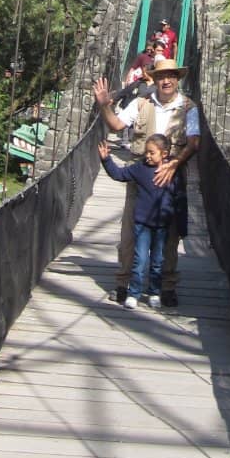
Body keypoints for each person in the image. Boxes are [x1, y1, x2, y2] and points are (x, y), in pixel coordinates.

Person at [93, 57, 199, 308]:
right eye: (162, 76)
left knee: (169, 236)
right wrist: (104, 105)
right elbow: (117, 125)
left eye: (171, 76)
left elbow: (194, 142)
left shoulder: (189, 107)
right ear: (155, 79)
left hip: (171, 178)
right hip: (141, 176)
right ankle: (124, 283)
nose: (167, 80)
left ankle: (166, 285)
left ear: (177, 79)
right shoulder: (141, 104)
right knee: (131, 231)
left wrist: (173, 165)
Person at [97, 134, 174, 309]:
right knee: (139, 260)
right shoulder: (140, 169)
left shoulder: (171, 172)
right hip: (143, 224)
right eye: (146, 152)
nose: (147, 156)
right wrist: (106, 159)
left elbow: (180, 198)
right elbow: (119, 174)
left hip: (162, 225)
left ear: (164, 154)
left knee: (158, 261)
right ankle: (134, 293)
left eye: (152, 153)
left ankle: (154, 292)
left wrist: (182, 226)